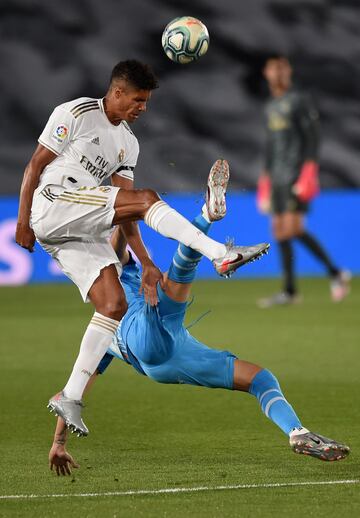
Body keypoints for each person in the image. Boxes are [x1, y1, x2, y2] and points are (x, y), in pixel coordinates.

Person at [48, 160, 349, 475]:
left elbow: (75, 390)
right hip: (149, 330)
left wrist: (58, 442)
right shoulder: (111, 271)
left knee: (260, 378)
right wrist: (122, 201)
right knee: (174, 273)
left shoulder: (100, 328)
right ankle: (210, 223)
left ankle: (297, 432)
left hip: (169, 354)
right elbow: (121, 237)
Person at [16, 60, 269, 434]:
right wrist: (23, 221)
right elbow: (34, 166)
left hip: (78, 227)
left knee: (114, 305)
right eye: (138, 100)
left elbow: (126, 210)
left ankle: (69, 397)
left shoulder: (128, 144)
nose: (142, 108)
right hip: (56, 201)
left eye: (146, 101)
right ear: (117, 92)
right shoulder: (76, 112)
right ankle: (220, 253)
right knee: (148, 196)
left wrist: (147, 262)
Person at [256, 56, 350, 308]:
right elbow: (270, 146)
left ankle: (336, 273)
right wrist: (265, 179)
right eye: (274, 68)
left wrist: (308, 172)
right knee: (279, 230)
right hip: (276, 175)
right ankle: (289, 291)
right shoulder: (270, 106)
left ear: (289, 72)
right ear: (266, 72)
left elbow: (313, 138)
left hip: (295, 172)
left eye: (283, 68)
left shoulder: (299, 101)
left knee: (293, 228)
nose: (278, 73)